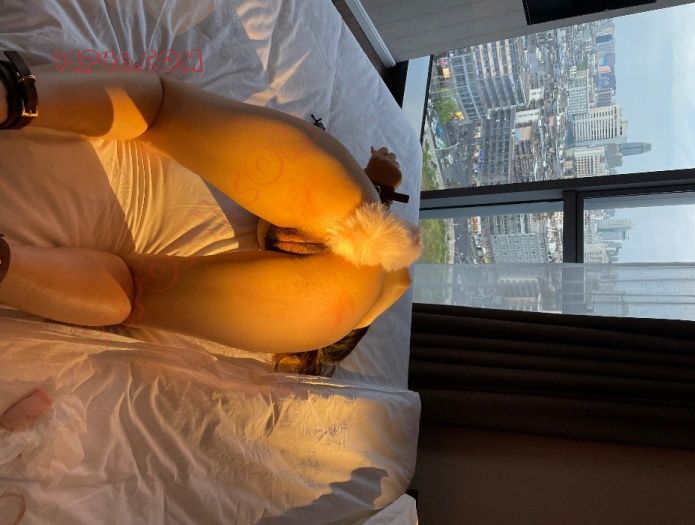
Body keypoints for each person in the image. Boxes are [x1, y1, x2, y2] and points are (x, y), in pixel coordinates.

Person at [0, 51, 422, 376]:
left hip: (350, 210)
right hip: (327, 308)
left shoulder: (388, 258)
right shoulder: (343, 324)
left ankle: (10, 95)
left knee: (160, 109)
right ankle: (6, 266)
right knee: (135, 294)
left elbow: (395, 257)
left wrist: (380, 182)